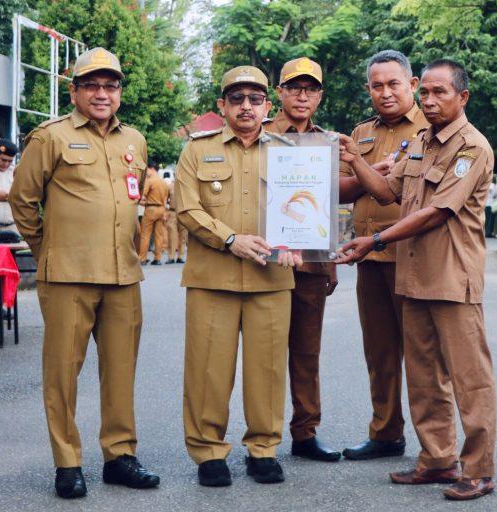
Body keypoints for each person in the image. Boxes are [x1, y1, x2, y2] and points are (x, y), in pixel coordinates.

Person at [338, 58, 497, 501]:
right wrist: (355, 160)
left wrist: (375, 240)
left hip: (452, 278)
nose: (428, 100)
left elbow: (436, 212)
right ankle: (437, 460)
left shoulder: (471, 147)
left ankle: (479, 469)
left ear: (462, 97)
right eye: (424, 92)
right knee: (424, 378)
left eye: (439, 92)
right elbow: (386, 191)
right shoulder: (421, 142)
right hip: (413, 277)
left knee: (470, 379)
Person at [9, 47, 160, 500]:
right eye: (91, 85)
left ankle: (120, 456)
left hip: (123, 275)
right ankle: (67, 461)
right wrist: (48, 250)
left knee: (121, 371)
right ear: (74, 91)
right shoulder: (50, 137)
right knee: (62, 374)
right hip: (68, 276)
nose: (101, 94)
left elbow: (131, 199)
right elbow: (23, 200)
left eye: (110, 86)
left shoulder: (134, 140)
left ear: (120, 93)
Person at [175, 65, 302, 487]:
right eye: (236, 99)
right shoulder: (197, 150)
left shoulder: (288, 152)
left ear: (267, 106)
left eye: (255, 99)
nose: (246, 106)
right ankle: (209, 452)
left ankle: (263, 448)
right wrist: (230, 239)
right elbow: (187, 208)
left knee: (268, 369)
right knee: (208, 371)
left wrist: (301, 240)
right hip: (213, 278)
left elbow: (305, 206)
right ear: (222, 105)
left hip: (272, 278)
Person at [338, 49, 430, 461]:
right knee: (379, 353)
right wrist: (369, 170)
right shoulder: (360, 133)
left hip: (414, 258)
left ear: (412, 84)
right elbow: (339, 188)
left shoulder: (432, 128)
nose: (386, 92)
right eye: (377, 86)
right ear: (368, 89)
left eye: (394, 83)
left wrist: (366, 172)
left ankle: (435, 445)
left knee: (423, 356)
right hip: (370, 260)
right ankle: (386, 433)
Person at [262, 57, 340, 462]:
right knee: (267, 353)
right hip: (269, 261)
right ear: (280, 92)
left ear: (320, 95)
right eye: (294, 87)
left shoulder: (328, 143)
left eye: (310, 89)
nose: (302, 95)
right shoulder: (259, 136)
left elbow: (328, 202)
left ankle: (305, 432)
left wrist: (330, 262)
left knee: (307, 352)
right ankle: (263, 435)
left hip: (310, 264)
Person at [137, 159, 168, 265]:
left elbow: (142, 196)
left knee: (145, 234)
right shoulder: (163, 182)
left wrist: (139, 202)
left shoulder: (149, 181)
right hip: (161, 209)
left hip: (151, 209)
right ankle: (157, 258)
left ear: (150, 169)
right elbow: (165, 199)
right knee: (159, 235)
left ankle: (142, 258)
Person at [164, 174, 187, 263]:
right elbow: (165, 199)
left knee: (183, 236)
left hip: (183, 213)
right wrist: (165, 212)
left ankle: (180, 256)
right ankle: (171, 257)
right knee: (171, 236)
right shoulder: (170, 186)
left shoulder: (186, 185)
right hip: (172, 213)